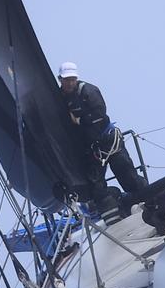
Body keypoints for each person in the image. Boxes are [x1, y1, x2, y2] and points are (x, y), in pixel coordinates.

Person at [58, 62, 147, 211]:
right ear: (60, 79)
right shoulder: (59, 97)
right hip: (92, 149)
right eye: (67, 79)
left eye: (72, 79)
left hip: (109, 142)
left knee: (129, 179)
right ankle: (116, 203)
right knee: (97, 189)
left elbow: (100, 113)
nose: (70, 82)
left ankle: (148, 198)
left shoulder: (88, 91)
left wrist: (79, 120)